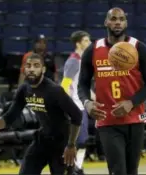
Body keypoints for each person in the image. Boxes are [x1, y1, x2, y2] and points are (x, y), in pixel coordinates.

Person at [78, 8, 146, 175]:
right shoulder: (93, 49)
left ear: (126, 23)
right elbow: (82, 85)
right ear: (106, 22)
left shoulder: (137, 47)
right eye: (113, 19)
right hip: (107, 120)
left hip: (135, 119)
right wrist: (87, 102)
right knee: (118, 170)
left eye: (121, 19)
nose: (117, 22)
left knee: (131, 170)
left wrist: (131, 102)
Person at [0, 53, 82, 175]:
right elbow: (9, 117)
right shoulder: (24, 89)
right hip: (42, 139)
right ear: (24, 69)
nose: (32, 69)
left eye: (36, 66)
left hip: (62, 143)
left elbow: (77, 116)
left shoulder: (55, 91)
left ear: (43, 69)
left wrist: (70, 145)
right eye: (28, 66)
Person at [61, 31, 92, 174]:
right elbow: (65, 86)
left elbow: (82, 87)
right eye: (86, 40)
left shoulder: (82, 61)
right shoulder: (73, 61)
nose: (89, 43)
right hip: (75, 108)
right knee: (77, 141)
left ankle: (77, 168)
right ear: (78, 43)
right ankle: (73, 168)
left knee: (83, 141)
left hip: (82, 106)